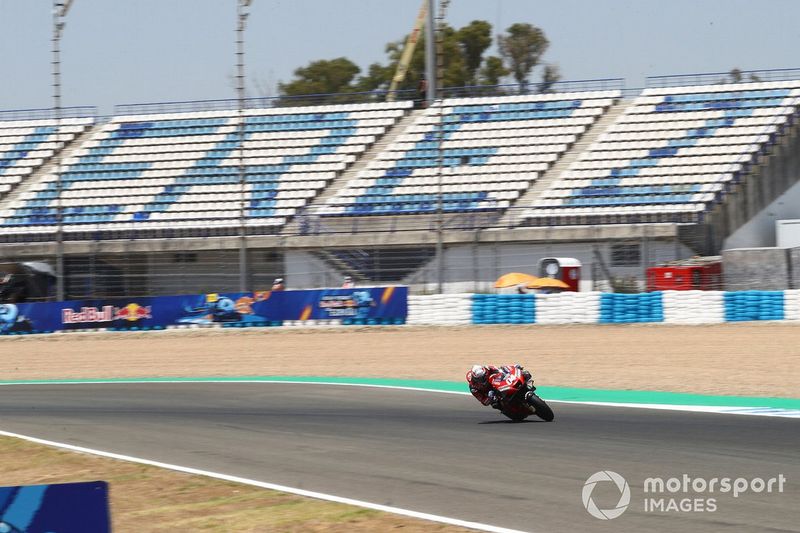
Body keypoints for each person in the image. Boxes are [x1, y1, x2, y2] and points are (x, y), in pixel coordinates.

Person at [466, 363, 533, 409]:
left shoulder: (488, 368)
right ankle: (508, 409)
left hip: (498, 383)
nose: (483, 378)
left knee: (523, 373)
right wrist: (489, 398)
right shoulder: (473, 388)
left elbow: (501, 369)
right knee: (495, 404)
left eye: (484, 376)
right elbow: (483, 401)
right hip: (491, 393)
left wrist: (514, 367)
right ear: (475, 378)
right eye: (481, 378)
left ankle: (525, 384)